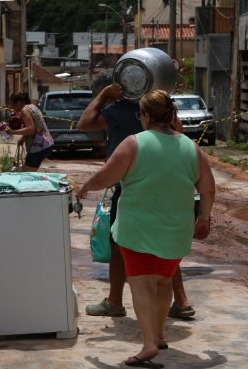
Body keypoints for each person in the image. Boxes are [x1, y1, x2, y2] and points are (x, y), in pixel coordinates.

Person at [77, 90, 215, 368]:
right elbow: (208, 186)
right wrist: (204, 218)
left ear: (147, 116)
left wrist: (84, 187)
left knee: (140, 284)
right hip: (176, 229)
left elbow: (106, 176)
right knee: (164, 281)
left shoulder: (133, 144)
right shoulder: (191, 147)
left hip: (137, 228)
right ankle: (160, 334)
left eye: (140, 114)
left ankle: (149, 344)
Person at [78, 73, 197, 321]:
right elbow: (181, 135)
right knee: (165, 243)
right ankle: (182, 301)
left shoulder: (119, 111)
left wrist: (103, 96)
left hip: (132, 182)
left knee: (119, 242)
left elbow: (85, 123)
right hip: (167, 184)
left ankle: (115, 301)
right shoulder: (162, 112)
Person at [5, 92, 54, 171]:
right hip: (47, 144)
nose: (12, 107)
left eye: (13, 104)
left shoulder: (25, 110)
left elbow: (31, 129)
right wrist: (23, 138)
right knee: (28, 171)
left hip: (38, 147)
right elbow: (34, 127)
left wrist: (12, 132)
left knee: (27, 174)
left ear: (20, 102)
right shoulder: (33, 107)